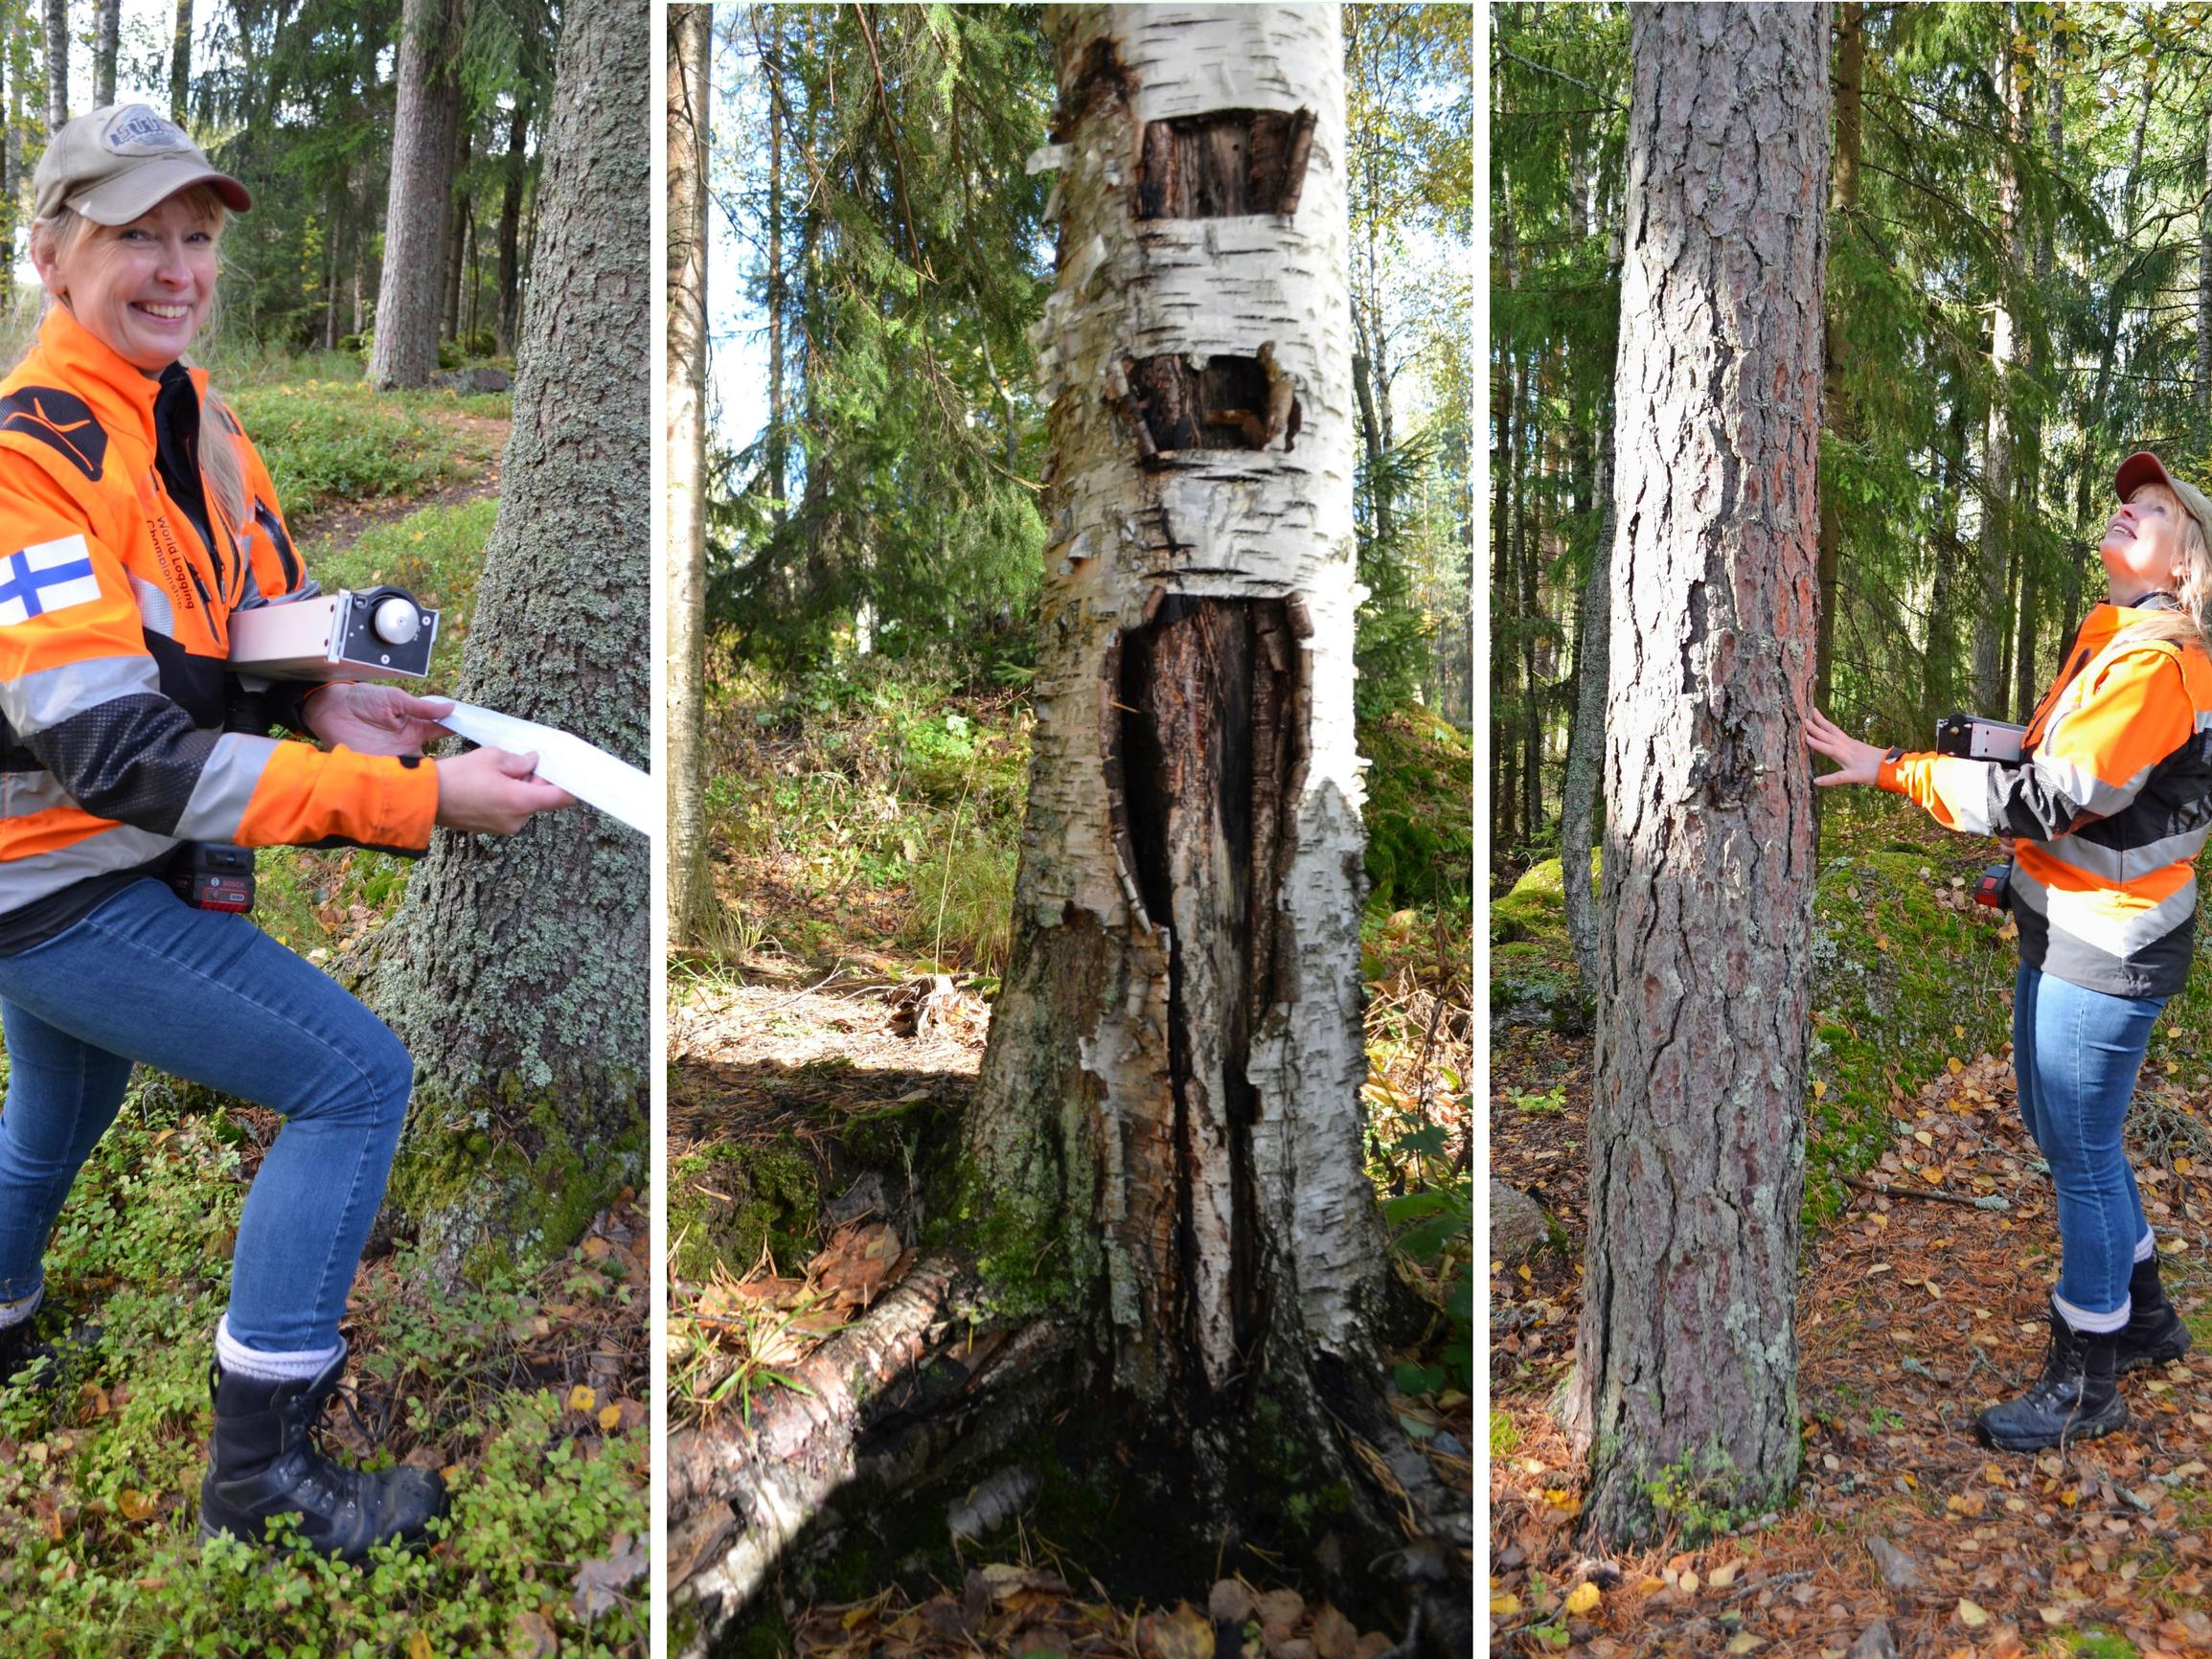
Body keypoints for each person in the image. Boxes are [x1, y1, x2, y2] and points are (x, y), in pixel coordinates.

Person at [0, 106, 575, 1558]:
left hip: (90, 855)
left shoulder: (199, 413)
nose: (177, 268)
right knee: (354, 1080)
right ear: (51, 251)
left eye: (196, 236)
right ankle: (261, 1480)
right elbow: (120, 754)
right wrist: (413, 799)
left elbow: (247, 615)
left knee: (65, 1112)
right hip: (50, 875)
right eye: (137, 235)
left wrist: (325, 695)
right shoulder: (26, 465)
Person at [1807, 451, 2212, 1453]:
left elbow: (2049, 799)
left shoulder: (2159, 662)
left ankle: (2086, 1379)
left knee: (2075, 1150)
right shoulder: (2110, 630)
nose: (2125, 512)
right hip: (2060, 913)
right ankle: (2147, 1314)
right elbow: (2045, 753)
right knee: (2062, 1129)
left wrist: (1895, 770)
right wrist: (1971, 738)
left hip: (2107, 938)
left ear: (2189, 561)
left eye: (2151, 509)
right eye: (2124, 501)